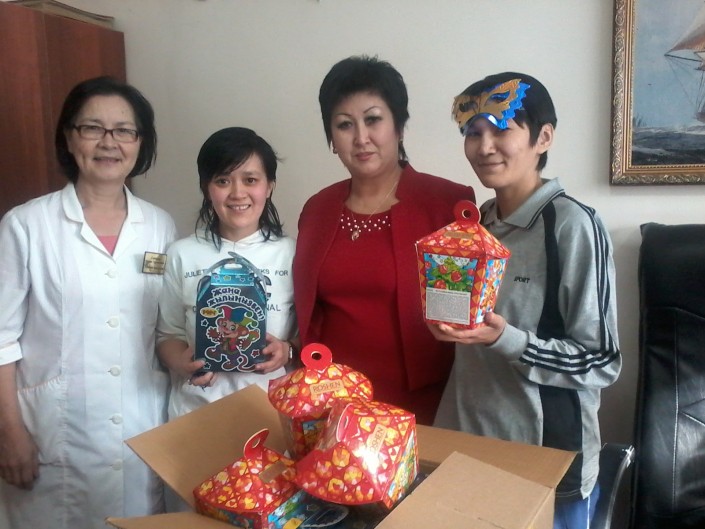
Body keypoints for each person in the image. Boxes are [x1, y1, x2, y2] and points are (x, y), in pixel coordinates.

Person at [431, 72, 621, 529]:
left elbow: (601, 361)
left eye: (501, 129)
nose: (484, 146)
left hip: (545, 460)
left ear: (543, 137)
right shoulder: (474, 225)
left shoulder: (571, 225)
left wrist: (506, 339)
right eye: (473, 132)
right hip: (467, 445)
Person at [0, 76, 177, 529]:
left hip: (140, 430)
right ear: (68, 136)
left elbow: (166, 329)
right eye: (92, 128)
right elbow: (1, 341)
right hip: (51, 436)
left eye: (124, 130)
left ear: (140, 143)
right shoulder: (26, 226)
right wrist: (9, 433)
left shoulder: (160, 226)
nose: (109, 142)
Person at [294, 55, 476, 425]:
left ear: (399, 126)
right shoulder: (317, 208)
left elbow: (466, 317)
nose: (361, 138)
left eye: (373, 119)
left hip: (423, 405)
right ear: (332, 139)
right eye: (344, 125)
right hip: (333, 405)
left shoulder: (447, 204)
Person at [157, 127, 297, 421]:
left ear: (269, 186)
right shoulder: (181, 254)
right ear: (207, 188)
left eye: (250, 180)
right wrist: (182, 362)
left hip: (271, 414)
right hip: (196, 415)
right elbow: (167, 335)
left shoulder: (292, 254)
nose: (237, 193)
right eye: (222, 180)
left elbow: (306, 334)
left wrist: (287, 350)